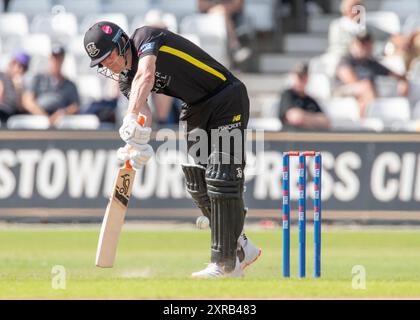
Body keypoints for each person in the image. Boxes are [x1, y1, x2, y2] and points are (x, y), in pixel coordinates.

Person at [83, 21, 261, 278]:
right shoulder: (125, 82)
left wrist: (130, 116)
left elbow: (146, 74)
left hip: (226, 97)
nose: (107, 64)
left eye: (108, 55)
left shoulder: (146, 38)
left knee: (222, 179)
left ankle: (224, 264)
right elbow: (144, 111)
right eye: (101, 62)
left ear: (121, 43)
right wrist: (136, 143)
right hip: (195, 109)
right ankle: (241, 245)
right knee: (198, 182)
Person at [335, 32, 409, 117]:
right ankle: (374, 115)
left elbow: (395, 74)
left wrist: (403, 81)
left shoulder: (371, 63)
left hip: (367, 95)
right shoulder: (346, 60)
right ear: (353, 44)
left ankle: (371, 118)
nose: (363, 47)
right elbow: (351, 81)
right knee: (366, 87)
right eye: (360, 44)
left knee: (365, 99)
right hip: (342, 92)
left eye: (366, 44)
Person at [22, 44, 80, 125]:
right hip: (38, 119)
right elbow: (28, 101)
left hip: (61, 121)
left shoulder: (70, 84)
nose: (55, 62)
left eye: (58, 59)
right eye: (53, 58)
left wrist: (61, 114)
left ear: (63, 60)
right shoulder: (38, 78)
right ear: (49, 59)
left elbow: (75, 106)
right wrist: (44, 117)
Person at [280, 63, 330, 130]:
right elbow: (295, 118)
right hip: (291, 137)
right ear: (293, 77)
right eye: (299, 76)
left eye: (303, 77)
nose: (300, 80)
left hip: (309, 138)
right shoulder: (288, 95)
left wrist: (304, 117)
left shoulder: (310, 100)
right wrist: (315, 120)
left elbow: (326, 122)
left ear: (307, 78)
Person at [0, 52, 30, 123]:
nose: (21, 70)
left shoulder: (23, 83)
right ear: (12, 64)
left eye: (24, 67)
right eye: (19, 65)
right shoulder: (2, 77)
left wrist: (18, 89)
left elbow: (20, 107)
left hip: (13, 115)